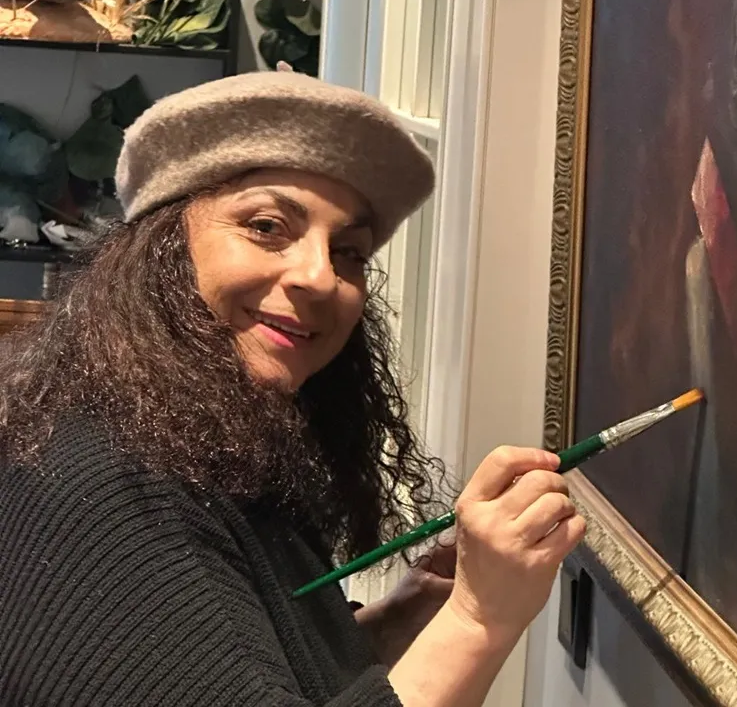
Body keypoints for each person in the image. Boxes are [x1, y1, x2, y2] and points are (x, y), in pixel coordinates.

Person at [0, 70, 586, 707]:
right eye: (266, 226)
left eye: (349, 252)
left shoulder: (200, 438)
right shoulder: (104, 490)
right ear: (162, 246)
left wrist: (401, 617)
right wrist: (479, 618)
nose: (321, 277)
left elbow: (227, 664)